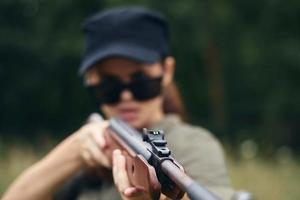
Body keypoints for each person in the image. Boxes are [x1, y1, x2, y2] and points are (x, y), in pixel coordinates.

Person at [2, 6, 234, 200]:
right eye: (109, 86)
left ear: (167, 71)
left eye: (140, 81)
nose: (125, 96)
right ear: (90, 82)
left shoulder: (194, 145)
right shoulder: (88, 149)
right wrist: (73, 151)